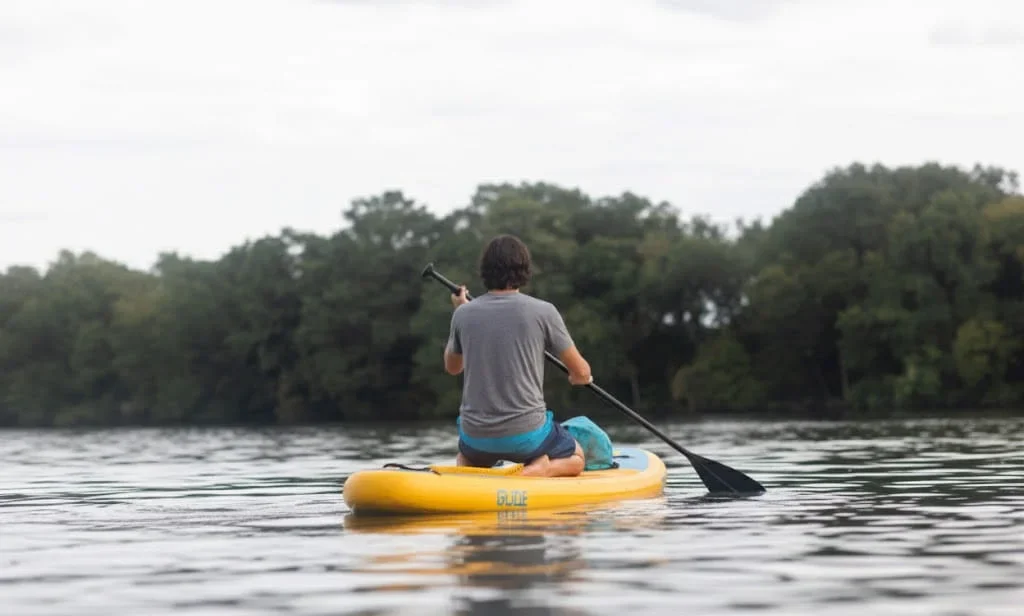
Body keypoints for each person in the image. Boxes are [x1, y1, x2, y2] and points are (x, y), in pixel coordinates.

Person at [442, 234, 593, 478]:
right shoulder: (544, 311)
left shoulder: (463, 314)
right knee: (577, 456)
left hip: (475, 438)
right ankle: (542, 469)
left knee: (465, 456)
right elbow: (582, 371)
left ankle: (469, 472)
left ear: (485, 271)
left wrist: (460, 311)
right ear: (524, 270)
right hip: (528, 437)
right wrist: (579, 378)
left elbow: (452, 367)